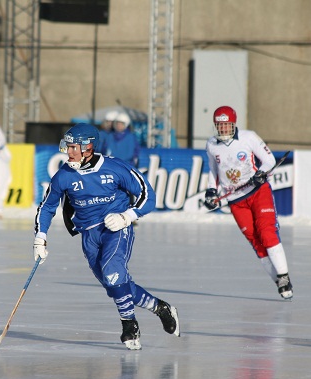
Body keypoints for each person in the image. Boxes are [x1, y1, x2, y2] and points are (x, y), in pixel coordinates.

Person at [33, 123, 180, 350]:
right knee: (116, 286)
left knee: (113, 273)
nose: (68, 152)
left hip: (116, 229)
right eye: (67, 147)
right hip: (88, 235)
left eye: (73, 147)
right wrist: (40, 237)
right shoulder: (63, 175)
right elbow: (47, 206)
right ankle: (161, 308)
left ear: (88, 147)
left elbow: (147, 195)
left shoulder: (115, 168)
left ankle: (129, 325)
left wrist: (126, 216)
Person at [204, 105, 293, 300]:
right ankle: (278, 281)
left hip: (258, 193)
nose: (223, 129)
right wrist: (211, 191)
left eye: (227, 125)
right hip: (236, 201)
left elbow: (269, 160)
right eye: (220, 125)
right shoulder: (211, 145)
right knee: (255, 241)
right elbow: (213, 170)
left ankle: (284, 276)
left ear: (233, 124)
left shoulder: (248, 137)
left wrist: (260, 174)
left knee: (267, 232)